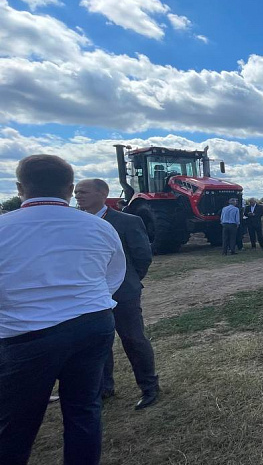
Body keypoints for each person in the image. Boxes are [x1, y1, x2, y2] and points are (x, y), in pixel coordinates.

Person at [0, 155, 125, 465]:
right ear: (69, 189)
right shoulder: (98, 227)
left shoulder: (5, 227)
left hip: (26, 332)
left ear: (20, 188)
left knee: (16, 420)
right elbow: (113, 275)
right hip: (93, 324)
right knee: (84, 408)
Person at [74, 179, 159, 410]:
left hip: (123, 292)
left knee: (133, 339)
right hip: (91, 294)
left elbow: (142, 256)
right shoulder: (76, 223)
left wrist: (128, 281)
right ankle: (104, 387)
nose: (77, 196)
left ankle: (149, 386)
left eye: (83, 191)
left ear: (103, 193)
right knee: (97, 341)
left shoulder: (127, 221)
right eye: (75, 192)